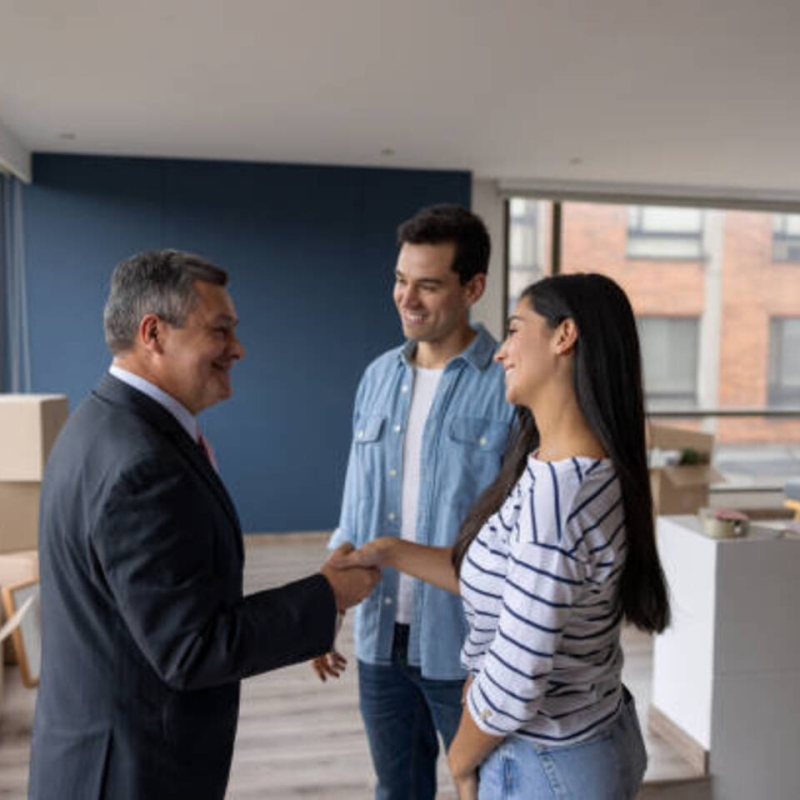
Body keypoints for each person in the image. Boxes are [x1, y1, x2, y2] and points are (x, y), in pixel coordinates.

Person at [28, 250, 379, 800]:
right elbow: (191, 649)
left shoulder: (99, 423)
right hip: (131, 773)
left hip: (96, 754)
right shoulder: (143, 463)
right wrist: (329, 594)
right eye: (220, 331)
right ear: (154, 333)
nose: (237, 349)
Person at [332, 273, 671, 800]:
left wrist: (463, 761)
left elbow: (514, 681)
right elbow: (513, 585)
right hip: (591, 735)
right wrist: (389, 551)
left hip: (544, 761)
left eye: (515, 331)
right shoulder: (566, 468)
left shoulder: (558, 499)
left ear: (565, 337)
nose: (501, 353)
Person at [312, 205, 515, 799]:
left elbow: (514, 532)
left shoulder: (507, 385)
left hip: (467, 644)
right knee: (395, 789)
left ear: (472, 287)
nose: (408, 298)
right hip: (380, 639)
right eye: (402, 280)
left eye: (428, 284)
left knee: (485, 788)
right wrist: (327, 603)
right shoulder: (377, 376)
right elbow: (356, 506)